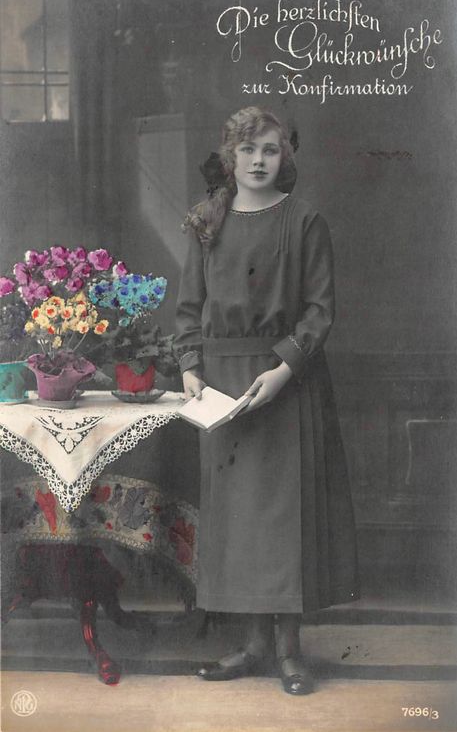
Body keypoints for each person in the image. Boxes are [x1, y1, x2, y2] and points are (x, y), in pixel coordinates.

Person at [174, 106, 359, 695]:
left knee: (284, 520)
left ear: (286, 157)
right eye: (248, 150)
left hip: (286, 380)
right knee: (239, 521)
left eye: (271, 150)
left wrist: (283, 370)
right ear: (230, 156)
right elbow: (188, 307)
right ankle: (252, 646)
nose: (258, 161)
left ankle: (288, 652)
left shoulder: (304, 222)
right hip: (222, 386)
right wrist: (189, 367)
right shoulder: (207, 221)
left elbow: (319, 310)